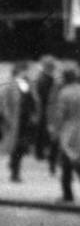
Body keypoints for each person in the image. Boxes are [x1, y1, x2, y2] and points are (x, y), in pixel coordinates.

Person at [0, 61, 37, 182]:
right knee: (17, 148)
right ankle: (15, 173)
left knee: (20, 147)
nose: (26, 73)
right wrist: (8, 119)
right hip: (15, 122)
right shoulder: (11, 86)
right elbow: (4, 105)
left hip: (24, 122)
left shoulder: (27, 85)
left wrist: (34, 115)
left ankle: (14, 168)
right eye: (24, 71)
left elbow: (32, 101)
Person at [50, 65, 80, 205]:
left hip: (70, 130)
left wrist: (55, 131)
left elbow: (60, 115)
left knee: (67, 163)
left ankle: (67, 195)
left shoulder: (64, 93)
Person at [33, 55, 59, 170]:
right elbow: (48, 95)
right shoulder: (47, 79)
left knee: (41, 131)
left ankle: (39, 152)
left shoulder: (41, 77)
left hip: (42, 107)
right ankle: (42, 153)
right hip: (47, 108)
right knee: (45, 131)